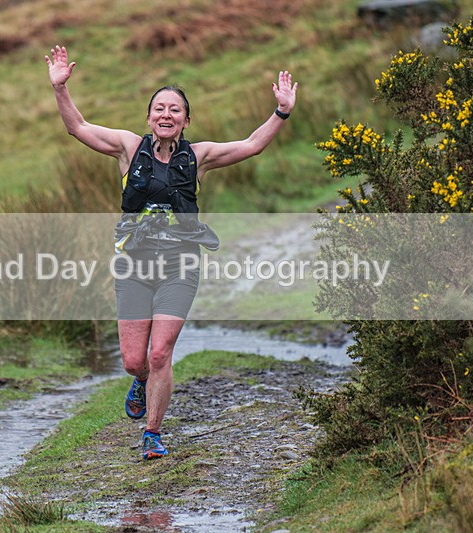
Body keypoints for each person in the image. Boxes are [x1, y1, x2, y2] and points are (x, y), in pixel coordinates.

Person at [45, 45, 298, 460]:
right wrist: (60, 88)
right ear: (149, 117)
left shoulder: (198, 157)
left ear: (186, 120)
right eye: (159, 108)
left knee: (160, 353)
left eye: (175, 110)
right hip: (133, 267)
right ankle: (140, 380)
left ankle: (152, 433)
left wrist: (281, 112)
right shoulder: (128, 148)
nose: (166, 115)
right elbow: (78, 127)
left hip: (180, 267)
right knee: (133, 360)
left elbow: (252, 145)